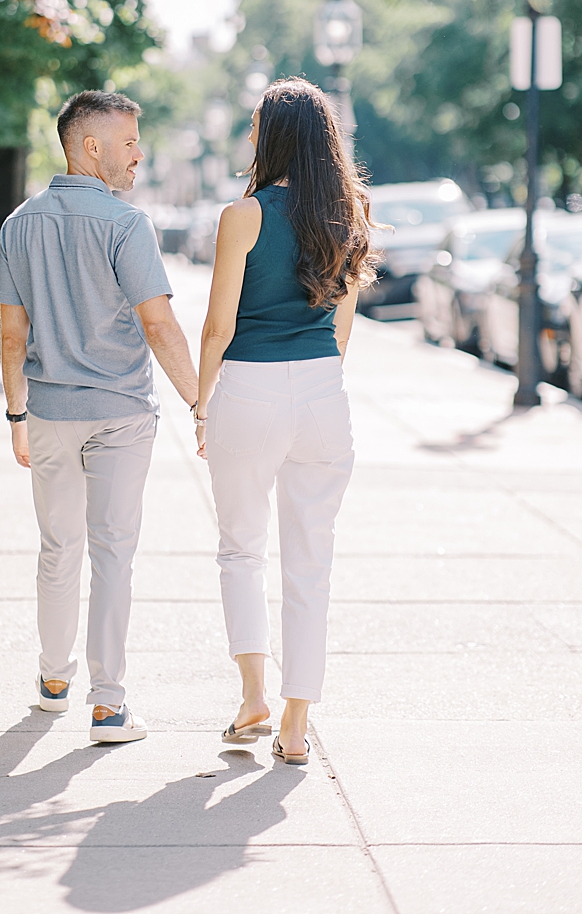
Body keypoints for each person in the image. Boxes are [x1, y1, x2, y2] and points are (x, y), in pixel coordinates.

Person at [0, 90, 200, 743]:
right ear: (91, 147)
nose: (140, 153)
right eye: (130, 142)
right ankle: (108, 704)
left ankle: (54, 679)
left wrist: (16, 415)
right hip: (120, 414)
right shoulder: (125, 224)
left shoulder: (19, 223)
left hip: (50, 413)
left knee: (59, 547)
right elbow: (160, 324)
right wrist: (201, 401)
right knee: (112, 553)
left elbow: (10, 338)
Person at [195, 78, 374, 766]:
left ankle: (253, 697)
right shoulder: (350, 211)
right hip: (324, 390)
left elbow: (217, 326)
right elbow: (344, 325)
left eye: (254, 125)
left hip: (249, 386)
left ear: (272, 137)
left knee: (241, 547)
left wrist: (202, 403)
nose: (248, 136)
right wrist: (319, 385)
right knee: (311, 562)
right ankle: (296, 725)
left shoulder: (242, 216)